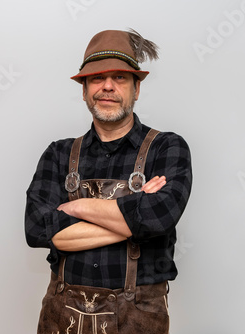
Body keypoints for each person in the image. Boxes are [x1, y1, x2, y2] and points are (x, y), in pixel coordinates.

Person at [25, 28, 192, 334]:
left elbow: (159, 218)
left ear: (136, 88)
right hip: (61, 316)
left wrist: (76, 208)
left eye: (120, 78)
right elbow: (36, 229)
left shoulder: (167, 148)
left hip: (138, 319)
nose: (107, 87)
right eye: (97, 79)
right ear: (85, 89)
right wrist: (134, 219)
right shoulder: (58, 154)